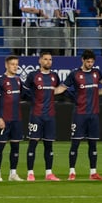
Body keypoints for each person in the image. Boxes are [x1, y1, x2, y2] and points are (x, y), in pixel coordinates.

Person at [54, 50, 102, 180]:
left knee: (93, 144)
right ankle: (72, 172)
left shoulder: (96, 73)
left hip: (93, 114)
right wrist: (48, 91)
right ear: (82, 60)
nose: (90, 64)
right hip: (79, 113)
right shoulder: (75, 74)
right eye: (88, 61)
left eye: (92, 62)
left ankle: (93, 172)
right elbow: (62, 88)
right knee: (75, 143)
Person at [22, 52, 62, 181]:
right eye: (45, 59)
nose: (48, 62)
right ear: (40, 60)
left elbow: (59, 90)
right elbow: (24, 91)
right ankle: (30, 173)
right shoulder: (33, 75)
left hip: (50, 115)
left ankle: (49, 173)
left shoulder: (54, 76)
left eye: (50, 59)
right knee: (33, 143)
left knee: (49, 145)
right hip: (36, 115)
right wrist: (33, 100)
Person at [0, 55, 25, 182]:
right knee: (0, 147)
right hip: (5, 119)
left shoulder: (18, 80)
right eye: (12, 64)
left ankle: (13, 174)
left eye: (17, 64)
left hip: (17, 119)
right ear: (6, 65)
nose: (15, 66)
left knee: (16, 147)